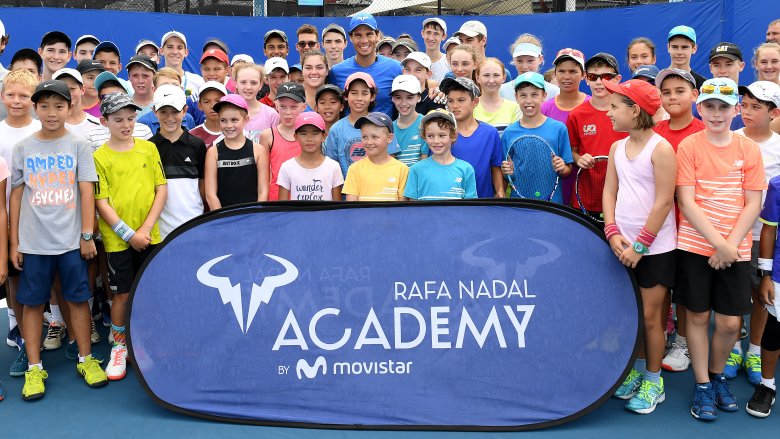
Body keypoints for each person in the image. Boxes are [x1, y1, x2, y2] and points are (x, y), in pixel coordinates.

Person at [675, 78, 766, 421]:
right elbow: (686, 200)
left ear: (736, 110)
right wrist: (720, 244)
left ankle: (716, 377)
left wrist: (729, 246)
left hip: (736, 250)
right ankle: (702, 385)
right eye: (710, 107)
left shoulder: (749, 150)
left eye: (724, 107)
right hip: (696, 246)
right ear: (700, 107)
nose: (716, 114)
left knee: (729, 324)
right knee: (697, 316)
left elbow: (753, 203)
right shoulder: (689, 146)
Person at [10, 80, 106, 399]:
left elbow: (86, 190)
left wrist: (87, 234)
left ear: (70, 108)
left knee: (77, 300)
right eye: (45, 106)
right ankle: (34, 368)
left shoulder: (78, 144)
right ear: (36, 109)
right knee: (33, 304)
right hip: (33, 244)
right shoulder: (23, 147)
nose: (52, 113)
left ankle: (86, 358)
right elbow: (16, 195)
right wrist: (14, 244)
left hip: (70, 243)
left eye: (59, 106)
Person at [602, 79, 676, 415]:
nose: (609, 113)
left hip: (656, 249)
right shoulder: (617, 148)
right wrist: (612, 230)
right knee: (631, 317)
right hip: (622, 245)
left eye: (615, 107)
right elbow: (609, 193)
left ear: (635, 110)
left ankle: (654, 380)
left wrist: (639, 247)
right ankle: (639, 368)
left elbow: (663, 204)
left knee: (649, 318)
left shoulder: (662, 149)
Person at [93, 92, 167, 381]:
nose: (126, 124)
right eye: (118, 119)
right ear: (104, 121)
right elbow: (102, 202)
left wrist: (145, 230)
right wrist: (128, 234)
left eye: (131, 118)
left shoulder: (149, 149)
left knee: (149, 291)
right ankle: (120, 347)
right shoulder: (99, 157)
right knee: (122, 294)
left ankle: (146, 343)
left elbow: (161, 190)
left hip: (150, 237)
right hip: (118, 241)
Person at [723, 81, 780, 385]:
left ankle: (754, 351)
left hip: (764, 238)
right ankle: (733, 349)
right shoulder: (729, 138)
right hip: (732, 235)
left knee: (762, 296)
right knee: (734, 295)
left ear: (775, 113)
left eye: (756, 106)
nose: (747, 111)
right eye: (744, 105)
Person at [0, 69, 41, 377]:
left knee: (43, 279)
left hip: (42, 220)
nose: (17, 101)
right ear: (3, 97)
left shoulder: (43, 130)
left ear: (33, 100)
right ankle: (19, 332)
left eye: (24, 96)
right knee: (14, 279)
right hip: (9, 221)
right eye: (11, 95)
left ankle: (52, 326)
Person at [501, 72, 573, 204]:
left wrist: (562, 168)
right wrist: (506, 172)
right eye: (523, 95)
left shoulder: (559, 129)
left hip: (553, 205)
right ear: (516, 97)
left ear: (544, 96)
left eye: (534, 95)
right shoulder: (508, 133)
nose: (529, 101)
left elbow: (567, 170)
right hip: (519, 204)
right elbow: (507, 175)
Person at [568, 53, 626, 210]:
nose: (599, 82)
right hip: (586, 198)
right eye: (593, 76)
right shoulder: (576, 114)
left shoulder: (629, 112)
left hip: (623, 198)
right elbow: (572, 152)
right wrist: (579, 159)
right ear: (586, 79)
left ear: (617, 79)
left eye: (606, 76)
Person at [149, 84, 207, 239]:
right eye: (163, 112)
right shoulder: (149, 147)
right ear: (154, 111)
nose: (169, 118)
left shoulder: (197, 145)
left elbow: (202, 186)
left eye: (175, 111)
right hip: (159, 232)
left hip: (193, 226)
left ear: (185, 110)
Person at [327, 12, 403, 116]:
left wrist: (432, 85)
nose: (364, 40)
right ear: (351, 37)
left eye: (369, 34)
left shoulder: (395, 68)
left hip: (385, 131)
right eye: (358, 35)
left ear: (377, 35)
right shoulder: (336, 72)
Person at [441, 76, 504, 199]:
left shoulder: (490, 133)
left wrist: (500, 192)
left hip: (483, 204)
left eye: (461, 100)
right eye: (450, 100)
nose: (455, 105)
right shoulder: (441, 134)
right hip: (449, 202)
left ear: (474, 102)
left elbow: (495, 167)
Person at [749, 174, 780, 417]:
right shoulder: (777, 185)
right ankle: (766, 385)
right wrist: (766, 275)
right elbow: (768, 230)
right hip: (779, 273)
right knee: (775, 329)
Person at [325, 72, 397, 178]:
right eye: (354, 93)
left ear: (372, 96)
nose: (359, 98)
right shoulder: (336, 129)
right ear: (346, 96)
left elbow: (391, 162)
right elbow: (332, 167)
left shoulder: (383, 123)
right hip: (347, 192)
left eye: (364, 93)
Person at [204, 94, 269, 209]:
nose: (229, 125)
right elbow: (210, 194)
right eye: (223, 120)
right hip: (224, 220)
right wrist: (222, 219)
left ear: (246, 120)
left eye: (234, 120)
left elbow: (263, 191)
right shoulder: (213, 152)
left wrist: (256, 216)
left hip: (251, 218)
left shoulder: (258, 150)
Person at [404, 109, 476, 200]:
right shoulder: (416, 169)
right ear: (424, 137)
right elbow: (412, 206)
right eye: (430, 136)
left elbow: (470, 207)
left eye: (442, 135)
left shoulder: (466, 169)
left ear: (453, 135)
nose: (436, 141)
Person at [343, 112, 409, 201]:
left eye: (375, 137)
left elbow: (402, 208)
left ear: (389, 138)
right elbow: (352, 207)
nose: (369, 142)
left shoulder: (402, 169)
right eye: (364, 137)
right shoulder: (354, 169)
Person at [257, 82, 306, 201]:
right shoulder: (268, 135)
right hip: (275, 202)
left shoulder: (309, 136)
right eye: (283, 106)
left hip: (304, 199)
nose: (288, 112)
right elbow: (264, 176)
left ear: (303, 107)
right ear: (276, 105)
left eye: (293, 107)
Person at [278, 112, 343, 201]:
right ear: (296, 137)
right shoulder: (287, 167)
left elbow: (337, 208)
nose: (309, 139)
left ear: (324, 136)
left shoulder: (333, 167)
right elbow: (282, 207)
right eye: (303, 134)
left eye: (315, 133)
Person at [84, 71, 153, 151]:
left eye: (118, 95)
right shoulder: (90, 136)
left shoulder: (144, 131)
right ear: (99, 102)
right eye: (105, 97)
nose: (112, 100)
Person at [499, 34, 559, 103]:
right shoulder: (502, 90)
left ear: (540, 59)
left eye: (530, 61)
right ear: (513, 60)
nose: (525, 66)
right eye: (519, 61)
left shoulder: (554, 91)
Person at [137, 68, 196, 133]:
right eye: (164, 85)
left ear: (181, 89)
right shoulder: (143, 122)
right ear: (154, 90)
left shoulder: (188, 118)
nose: (170, 89)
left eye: (175, 85)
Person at [474, 58, 520, 136]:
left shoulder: (515, 108)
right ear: (477, 78)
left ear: (504, 77)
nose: (491, 80)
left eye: (496, 75)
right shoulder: (469, 107)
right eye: (486, 75)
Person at [52, 68, 100, 140]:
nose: (67, 93)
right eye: (61, 89)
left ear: (82, 90)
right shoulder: (46, 126)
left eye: (72, 89)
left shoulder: (98, 125)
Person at [390, 75, 427, 167]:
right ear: (393, 99)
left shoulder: (425, 124)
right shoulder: (390, 128)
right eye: (398, 97)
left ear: (418, 97)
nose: (403, 103)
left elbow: (424, 159)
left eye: (409, 97)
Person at [234, 63, 280, 135]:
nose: (248, 87)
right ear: (236, 83)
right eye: (243, 82)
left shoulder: (271, 115)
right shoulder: (227, 112)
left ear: (261, 85)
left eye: (253, 83)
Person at [159, 31, 203, 98]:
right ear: (161, 51)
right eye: (170, 47)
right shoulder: (154, 80)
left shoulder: (198, 82)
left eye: (179, 48)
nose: (175, 52)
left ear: (186, 52)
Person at [400, 52, 445, 117]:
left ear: (428, 74)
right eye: (408, 69)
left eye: (418, 70)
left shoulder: (434, 100)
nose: (412, 74)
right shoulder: (397, 98)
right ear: (403, 72)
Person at [194, 48, 232, 124]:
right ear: (201, 70)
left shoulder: (234, 98)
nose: (211, 73)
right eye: (207, 69)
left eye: (217, 69)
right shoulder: (192, 100)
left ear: (227, 70)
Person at [190, 81, 227, 148]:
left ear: (226, 103)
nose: (213, 106)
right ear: (200, 106)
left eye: (218, 101)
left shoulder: (238, 132)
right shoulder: (192, 136)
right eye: (207, 102)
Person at [421, 17, 450, 82]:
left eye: (436, 33)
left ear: (443, 36)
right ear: (423, 33)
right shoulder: (417, 61)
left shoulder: (449, 61)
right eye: (428, 32)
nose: (431, 38)